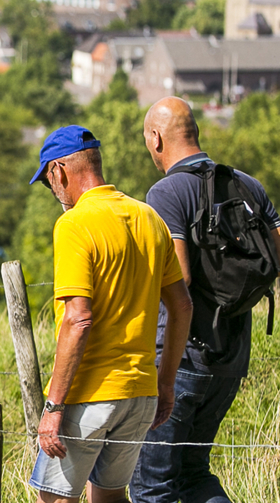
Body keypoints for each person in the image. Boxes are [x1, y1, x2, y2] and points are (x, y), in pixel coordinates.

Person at [130, 97, 280, 503]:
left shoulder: (166, 193)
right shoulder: (247, 186)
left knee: (151, 486)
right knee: (193, 475)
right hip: (230, 360)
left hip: (179, 359)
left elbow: (180, 277)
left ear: (156, 138)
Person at [26, 125, 195, 503]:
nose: (53, 192)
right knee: (111, 497)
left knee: (54, 499)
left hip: (90, 395)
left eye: (47, 182)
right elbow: (182, 305)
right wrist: (164, 383)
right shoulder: (149, 218)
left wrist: (53, 406)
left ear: (59, 171)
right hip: (139, 394)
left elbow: (78, 319)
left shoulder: (74, 224)